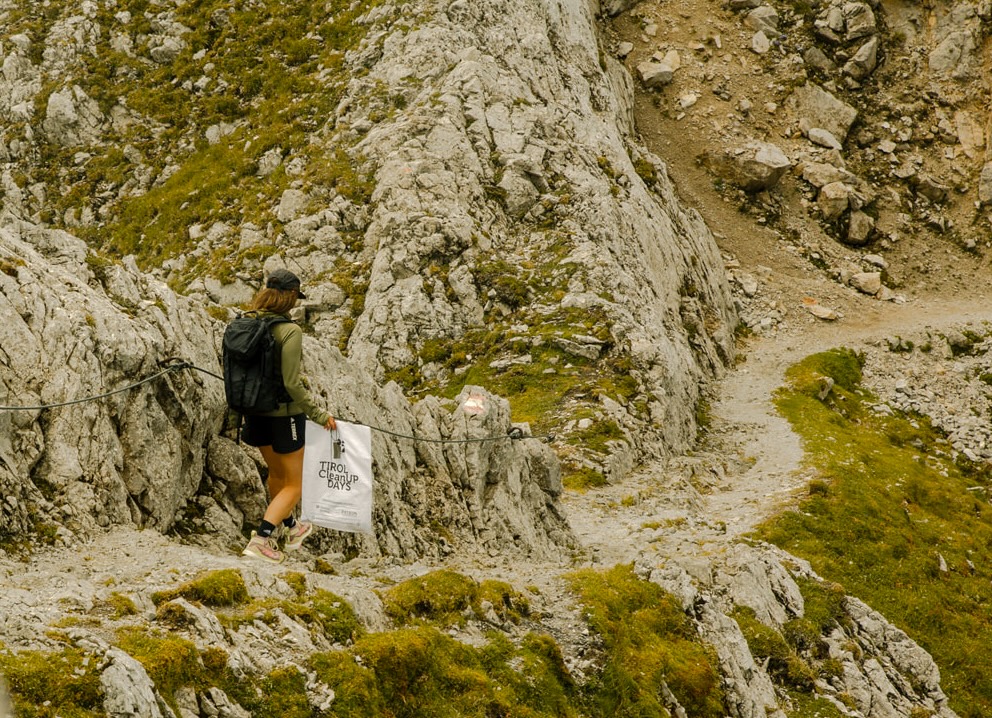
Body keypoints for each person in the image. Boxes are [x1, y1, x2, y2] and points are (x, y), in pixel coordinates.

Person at [240, 268, 336, 563]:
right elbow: (292, 383)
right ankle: (262, 539)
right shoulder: (289, 331)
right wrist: (320, 415)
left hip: (254, 412)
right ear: (291, 296)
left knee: (277, 474)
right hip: (285, 417)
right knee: (296, 484)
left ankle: (292, 528)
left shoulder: (247, 323)